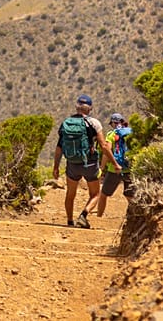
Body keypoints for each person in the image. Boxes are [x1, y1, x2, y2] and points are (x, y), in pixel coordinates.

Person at [51, 94, 115, 228]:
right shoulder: (94, 123)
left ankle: (69, 221)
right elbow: (104, 146)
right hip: (90, 163)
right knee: (95, 194)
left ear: (77, 107)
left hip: (72, 163)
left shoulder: (66, 123)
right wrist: (114, 163)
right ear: (90, 108)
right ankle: (83, 215)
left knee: (70, 194)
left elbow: (59, 147)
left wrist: (56, 167)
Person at [96, 113, 134, 218]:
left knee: (103, 194)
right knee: (130, 195)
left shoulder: (112, 134)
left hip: (115, 169)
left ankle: (99, 217)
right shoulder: (131, 132)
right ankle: (134, 215)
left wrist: (102, 168)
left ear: (113, 123)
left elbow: (107, 151)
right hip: (130, 168)